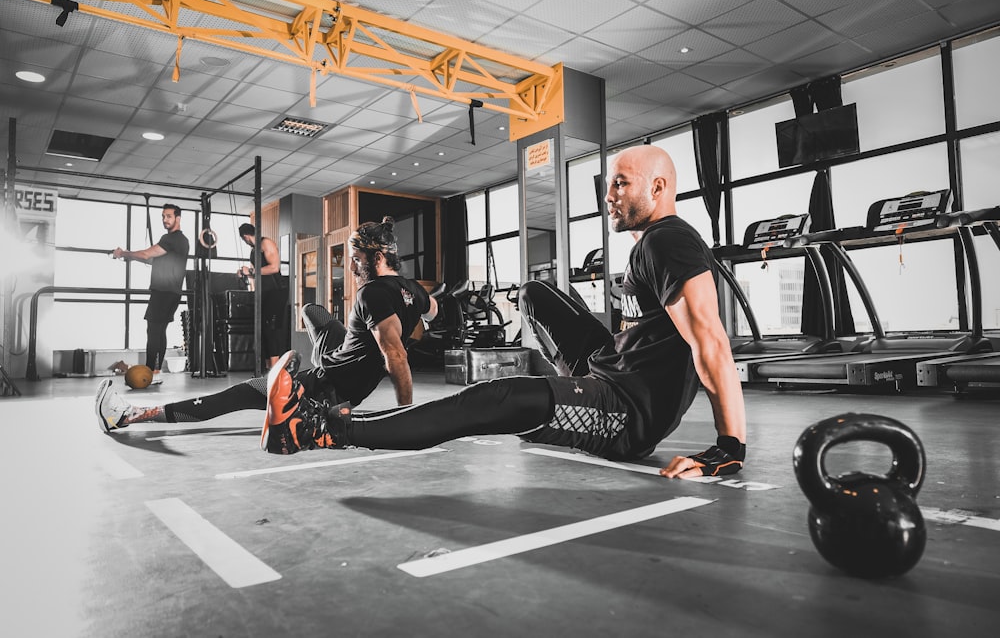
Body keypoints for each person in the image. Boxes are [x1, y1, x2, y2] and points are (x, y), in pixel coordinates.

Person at [260, 145, 747, 479]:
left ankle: (321, 428)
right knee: (535, 293)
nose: (609, 195)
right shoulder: (652, 245)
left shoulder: (672, 241)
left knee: (491, 400)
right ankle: (567, 392)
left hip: (625, 415)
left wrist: (729, 448)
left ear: (658, 187)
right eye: (609, 184)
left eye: (621, 184)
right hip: (613, 373)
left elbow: (710, 341)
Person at [95, 216, 438, 431]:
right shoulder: (413, 292)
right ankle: (323, 356)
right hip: (345, 370)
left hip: (323, 390)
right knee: (314, 311)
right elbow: (433, 310)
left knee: (236, 394)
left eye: (356, 260)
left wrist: (404, 416)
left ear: (377, 259)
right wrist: (419, 320)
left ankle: (129, 417)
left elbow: (396, 357)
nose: (351, 267)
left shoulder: (372, 295)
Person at [111, 203, 189, 375]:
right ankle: (155, 370)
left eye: (168, 216)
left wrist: (123, 253)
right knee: (159, 330)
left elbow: (147, 254)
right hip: (173, 293)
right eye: (163, 216)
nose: (164, 219)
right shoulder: (182, 241)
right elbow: (151, 259)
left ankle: (149, 371)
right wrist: (131, 258)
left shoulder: (171, 238)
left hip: (163, 292)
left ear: (178, 218)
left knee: (153, 330)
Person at [237, 223, 290, 369]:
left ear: (245, 237)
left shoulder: (266, 243)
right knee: (262, 329)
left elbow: (274, 267)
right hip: (264, 292)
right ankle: (268, 367)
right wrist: (244, 273)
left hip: (277, 291)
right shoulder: (254, 250)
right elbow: (258, 272)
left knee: (271, 328)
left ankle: (275, 367)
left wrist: (252, 272)